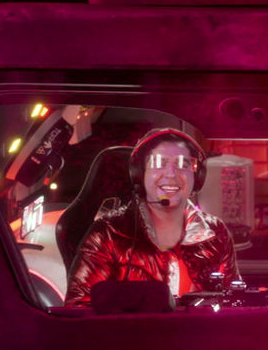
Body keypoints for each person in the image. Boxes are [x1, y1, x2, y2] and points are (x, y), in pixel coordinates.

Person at [64, 128, 239, 307]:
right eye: (159, 163)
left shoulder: (216, 232)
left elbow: (233, 304)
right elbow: (79, 309)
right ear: (140, 173)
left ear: (197, 177)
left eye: (183, 164)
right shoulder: (107, 234)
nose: (171, 174)